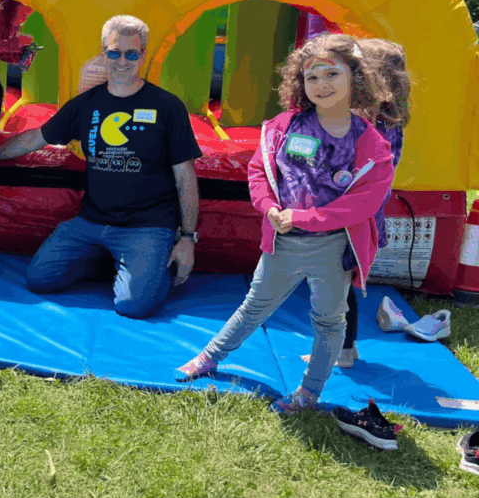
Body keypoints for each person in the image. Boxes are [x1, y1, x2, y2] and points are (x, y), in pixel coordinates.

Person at [174, 34, 394, 415]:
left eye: (332, 74)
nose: (321, 84)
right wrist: (268, 206)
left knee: (328, 319)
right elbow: (260, 170)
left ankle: (308, 393)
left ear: (354, 78)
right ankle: (210, 357)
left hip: (332, 247)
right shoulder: (282, 126)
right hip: (282, 241)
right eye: (312, 77)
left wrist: (306, 217)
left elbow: (364, 202)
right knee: (254, 306)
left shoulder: (372, 145)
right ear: (299, 82)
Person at [0, 15, 202, 317]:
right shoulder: (86, 104)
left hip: (146, 225)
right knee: (40, 278)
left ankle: (141, 265)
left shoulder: (167, 106)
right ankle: (109, 259)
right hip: (92, 221)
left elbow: (185, 175)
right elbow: (33, 139)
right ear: (103, 53)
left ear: (143, 55)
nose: (121, 61)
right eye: (114, 52)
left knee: (133, 306)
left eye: (131, 54)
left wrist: (188, 238)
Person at [333, 38, 411, 368]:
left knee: (336, 286)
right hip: (364, 217)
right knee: (341, 283)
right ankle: (346, 348)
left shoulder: (370, 125)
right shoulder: (388, 121)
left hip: (353, 218)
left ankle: (343, 351)